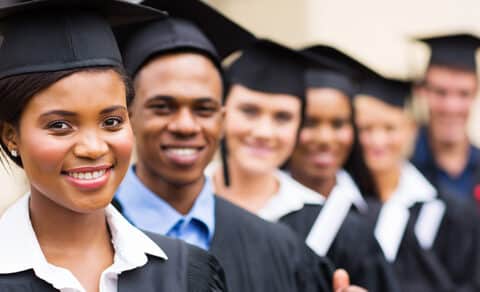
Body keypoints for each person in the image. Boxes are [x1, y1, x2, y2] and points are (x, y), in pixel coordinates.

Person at [114, 1, 365, 291]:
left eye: (203, 109)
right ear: (127, 114)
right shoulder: (77, 234)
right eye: (162, 107)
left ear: (222, 119)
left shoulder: (281, 248)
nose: (186, 126)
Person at [0, 1, 227, 291]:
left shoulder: (187, 274)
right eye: (60, 125)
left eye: (111, 122)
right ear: (11, 135)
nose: (93, 148)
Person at [277, 45, 398, 292]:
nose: (324, 138)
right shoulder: (264, 209)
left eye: (338, 123)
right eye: (310, 122)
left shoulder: (376, 213)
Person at [355, 66, 480, 291]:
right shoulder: (347, 200)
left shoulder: (450, 211)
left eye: (389, 128)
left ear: (410, 130)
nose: (377, 140)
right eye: (366, 129)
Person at [411, 34, 480, 203]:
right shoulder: (404, 166)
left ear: (476, 92)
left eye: (463, 94)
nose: (451, 107)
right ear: (422, 91)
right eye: (440, 92)